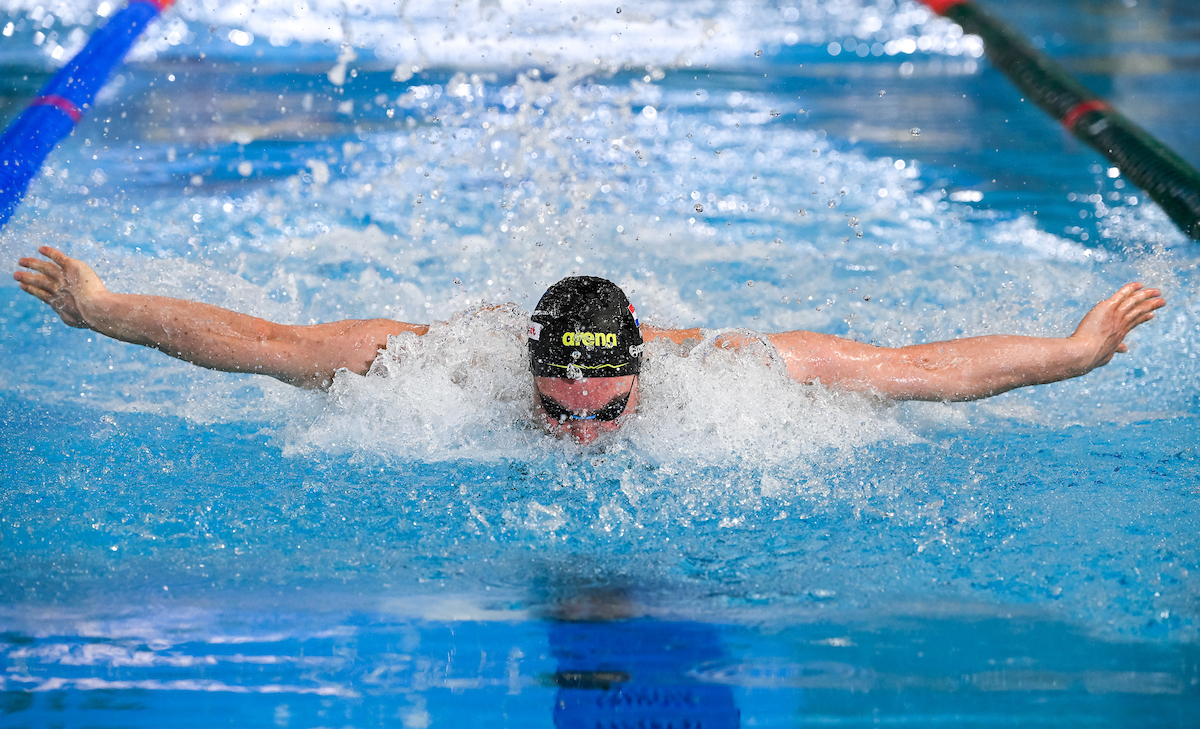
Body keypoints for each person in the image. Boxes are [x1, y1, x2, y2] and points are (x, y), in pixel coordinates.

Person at [14, 245, 1165, 445]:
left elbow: (918, 369)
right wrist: (105, 307)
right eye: (556, 405)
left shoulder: (727, 373)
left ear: (642, 373)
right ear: (526, 365)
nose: (577, 430)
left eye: (602, 412)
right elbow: (262, 342)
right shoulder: (440, 365)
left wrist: (1069, 353)